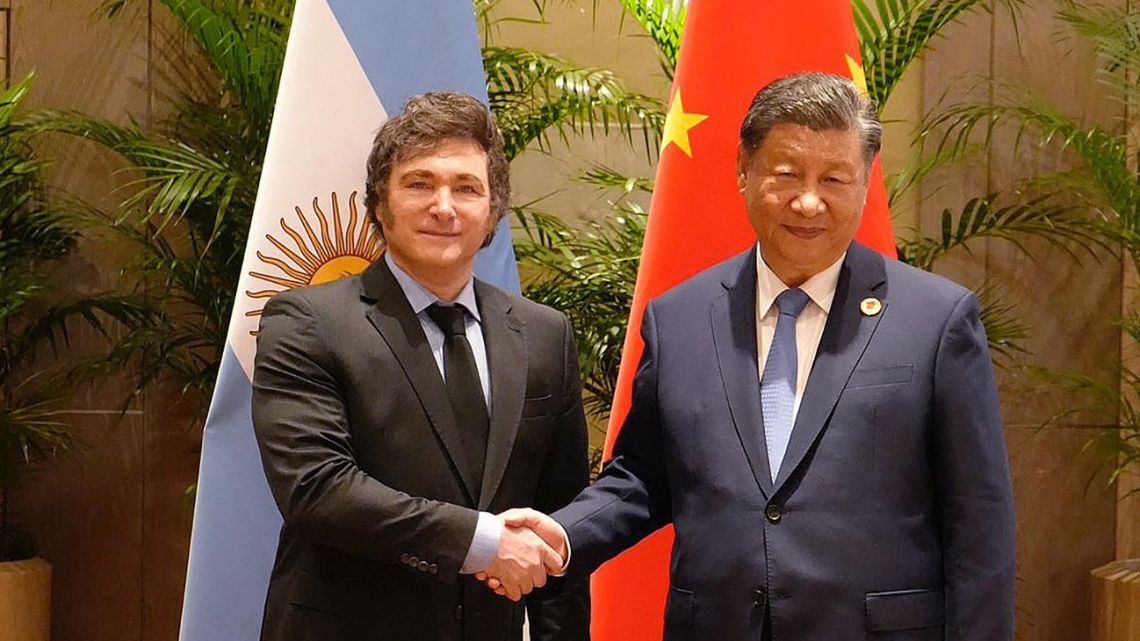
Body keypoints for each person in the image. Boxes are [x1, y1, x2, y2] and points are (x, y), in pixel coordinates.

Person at [487, 72, 1016, 640]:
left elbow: (980, 526)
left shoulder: (936, 320)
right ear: (744, 171)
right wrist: (560, 536)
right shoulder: (680, 318)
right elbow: (642, 477)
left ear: (864, 185)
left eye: (834, 178)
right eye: (786, 174)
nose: (809, 201)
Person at [251, 92, 590, 641]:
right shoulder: (307, 321)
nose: (444, 206)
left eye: (466, 188)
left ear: (492, 214)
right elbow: (317, 488)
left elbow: (559, 519)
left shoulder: (545, 335)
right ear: (379, 204)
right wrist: (481, 541)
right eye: (419, 183)